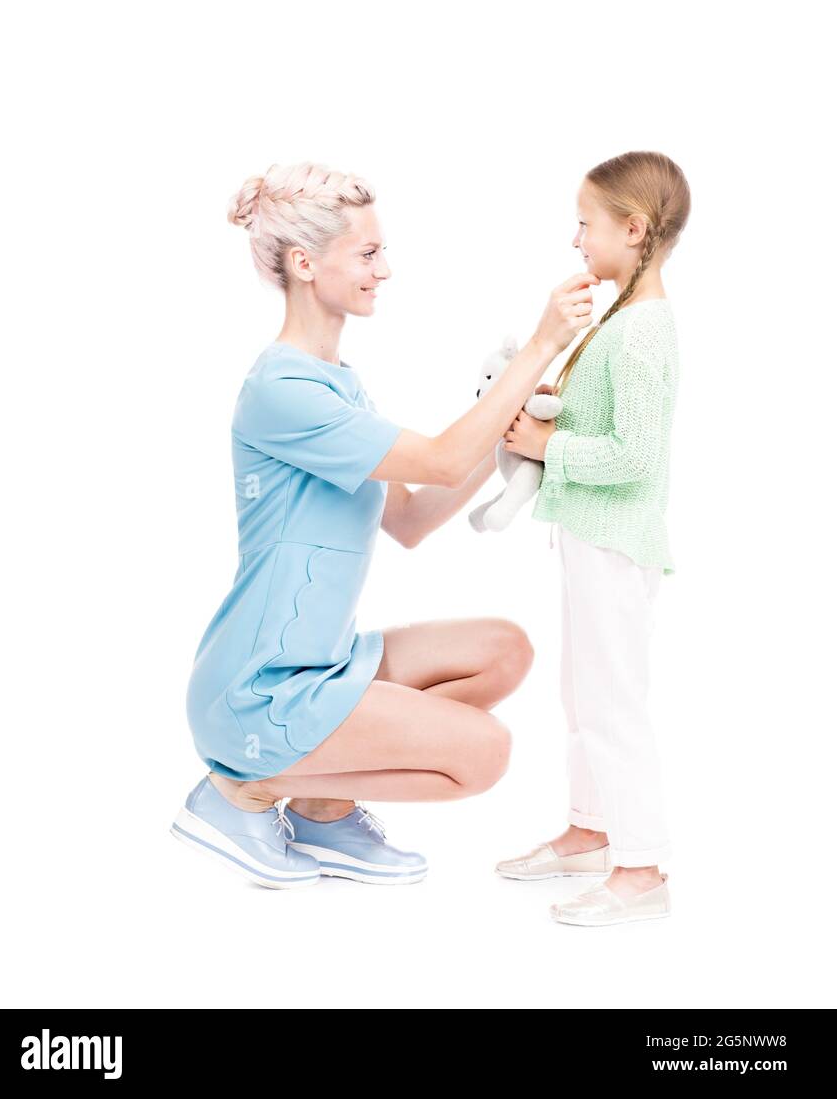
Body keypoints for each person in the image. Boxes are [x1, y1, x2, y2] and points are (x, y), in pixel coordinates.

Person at [171, 160, 597, 889]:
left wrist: (506, 418)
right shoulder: (283, 388)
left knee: (503, 651)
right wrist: (537, 350)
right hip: (258, 690)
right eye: (368, 254)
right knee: (483, 753)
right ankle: (241, 789)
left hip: (320, 665)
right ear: (306, 265)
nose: (385, 270)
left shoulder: (338, 381)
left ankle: (323, 807)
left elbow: (409, 517)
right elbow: (437, 460)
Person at [494, 151, 691, 926]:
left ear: (633, 229)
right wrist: (548, 406)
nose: (577, 240)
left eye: (587, 224)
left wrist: (548, 448)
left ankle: (641, 871)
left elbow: (636, 455)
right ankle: (590, 830)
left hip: (616, 541)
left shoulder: (642, 330)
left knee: (613, 704)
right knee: (582, 693)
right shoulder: (619, 316)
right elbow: (607, 418)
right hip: (587, 532)